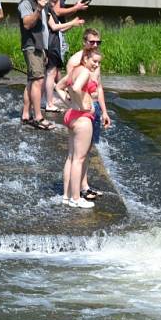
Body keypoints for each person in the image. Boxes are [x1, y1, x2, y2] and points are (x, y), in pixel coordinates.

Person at [55, 28, 110, 200]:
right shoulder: (77, 61)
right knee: (78, 154)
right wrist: (73, 103)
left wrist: (104, 111)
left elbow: (99, 87)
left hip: (93, 107)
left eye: (97, 42)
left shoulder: (95, 61)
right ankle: (77, 192)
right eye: (91, 42)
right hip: (81, 111)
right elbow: (69, 85)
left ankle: (79, 188)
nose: (94, 45)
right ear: (84, 42)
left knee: (85, 150)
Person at [60, 49, 103, 208]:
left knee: (71, 157)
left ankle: (66, 195)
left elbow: (58, 86)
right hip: (82, 119)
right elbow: (77, 88)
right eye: (94, 61)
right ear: (85, 58)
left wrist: (70, 104)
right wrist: (82, 105)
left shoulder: (74, 70)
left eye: (99, 63)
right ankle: (76, 198)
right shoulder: (84, 72)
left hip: (71, 116)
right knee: (79, 159)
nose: (96, 65)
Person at [42, 0, 85, 114]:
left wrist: (74, 24)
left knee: (50, 74)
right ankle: (49, 103)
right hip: (51, 44)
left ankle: (45, 100)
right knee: (50, 74)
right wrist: (72, 23)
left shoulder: (51, 10)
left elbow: (62, 27)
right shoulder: (46, 10)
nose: (55, 0)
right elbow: (54, 27)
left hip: (55, 44)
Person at [18, 0, 53, 129]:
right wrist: (38, 9)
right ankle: (38, 117)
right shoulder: (26, 3)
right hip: (31, 45)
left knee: (32, 81)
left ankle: (26, 114)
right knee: (38, 81)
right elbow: (27, 24)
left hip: (40, 47)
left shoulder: (43, 3)